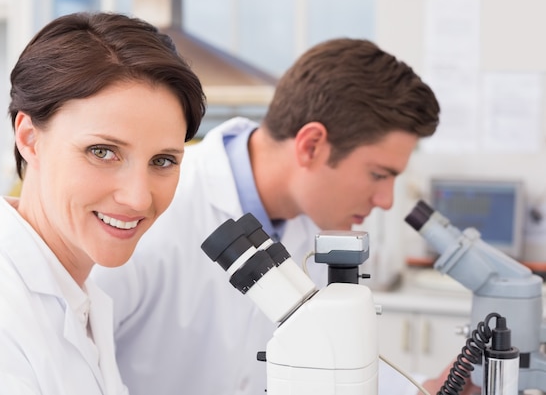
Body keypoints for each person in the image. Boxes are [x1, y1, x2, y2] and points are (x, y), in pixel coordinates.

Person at [90, 37, 460, 395]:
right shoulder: (148, 210)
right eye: (379, 175)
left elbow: (329, 359)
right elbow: (76, 365)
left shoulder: (314, 227)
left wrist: (420, 390)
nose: (386, 201)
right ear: (311, 145)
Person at [0, 11, 205, 394]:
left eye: (163, 161)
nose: (138, 197)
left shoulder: (81, 297)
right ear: (30, 139)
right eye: (102, 152)